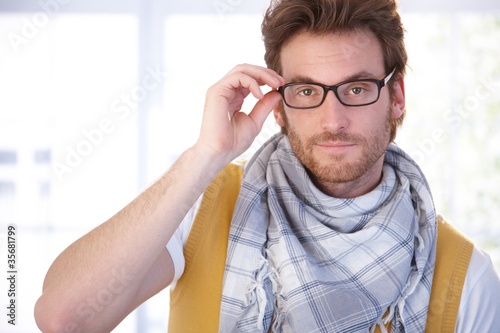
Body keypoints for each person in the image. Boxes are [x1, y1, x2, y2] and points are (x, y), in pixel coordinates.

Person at [34, 0, 500, 332]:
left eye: (356, 89)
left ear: (395, 97)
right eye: (306, 91)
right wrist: (205, 155)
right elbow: (64, 318)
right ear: (278, 107)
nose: (332, 120)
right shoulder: (206, 206)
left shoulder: (467, 277)